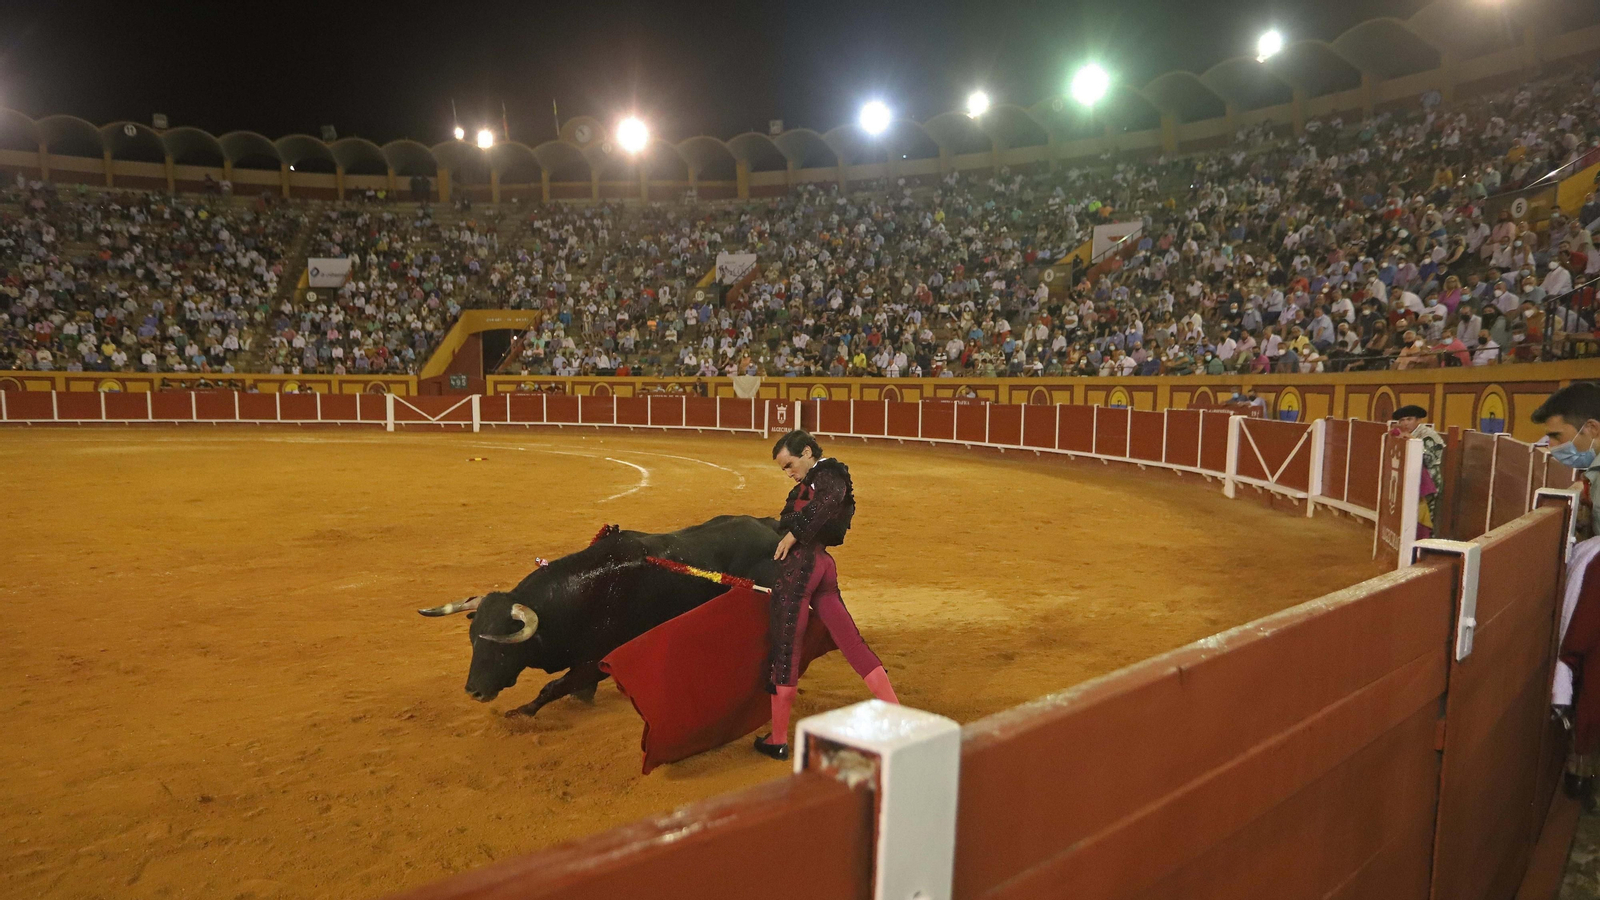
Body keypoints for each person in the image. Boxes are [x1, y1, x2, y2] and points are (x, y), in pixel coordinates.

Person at [755, 430, 898, 761]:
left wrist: (794, 534)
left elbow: (829, 499)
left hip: (800, 568)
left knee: (786, 648)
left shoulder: (827, 474)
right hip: (823, 567)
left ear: (807, 452)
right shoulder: (813, 482)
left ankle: (778, 740)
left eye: (790, 465)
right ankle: (897, 716)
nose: (789, 473)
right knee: (852, 643)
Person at [1392, 405, 1444, 538]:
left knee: (1426, 518)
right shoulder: (1407, 434)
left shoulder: (1428, 435)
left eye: (1409, 419)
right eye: (1402, 420)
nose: (1405, 423)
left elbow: (1430, 460)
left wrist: (1412, 441)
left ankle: (1426, 545)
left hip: (1429, 483)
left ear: (1418, 420)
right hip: (1414, 481)